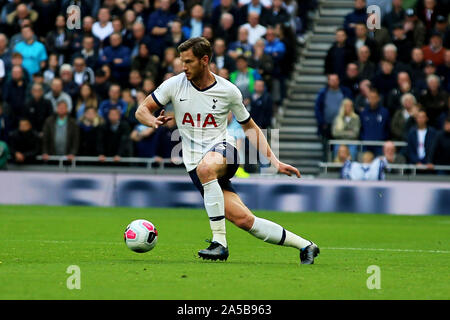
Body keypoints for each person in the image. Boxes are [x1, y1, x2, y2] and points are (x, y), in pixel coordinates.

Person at [135, 37, 319, 264]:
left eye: (189, 61)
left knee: (207, 167)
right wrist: (151, 121)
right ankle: (306, 246)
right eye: (182, 61)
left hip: (224, 150)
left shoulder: (228, 91)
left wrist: (274, 160)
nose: (183, 67)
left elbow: (250, 127)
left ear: (204, 60)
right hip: (196, 165)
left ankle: (219, 243)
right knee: (243, 219)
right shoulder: (174, 84)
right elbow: (142, 110)